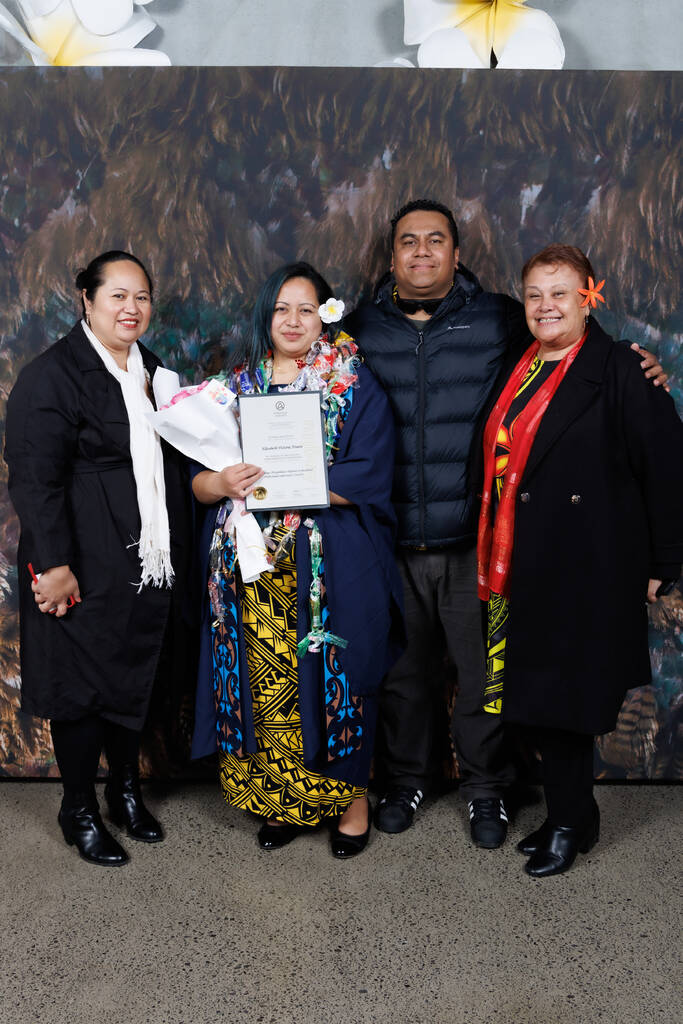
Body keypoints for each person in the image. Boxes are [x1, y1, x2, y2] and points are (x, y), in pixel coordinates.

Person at [344, 199, 669, 847]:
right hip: (389, 539)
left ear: (456, 254)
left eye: (435, 240)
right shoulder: (356, 331)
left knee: (484, 675)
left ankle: (485, 790)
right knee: (403, 676)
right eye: (408, 242)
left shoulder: (498, 319)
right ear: (391, 257)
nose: (421, 252)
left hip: (474, 538)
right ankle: (406, 779)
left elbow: (574, 363)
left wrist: (638, 366)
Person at [476, 244, 683, 876]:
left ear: (588, 298)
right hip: (521, 561)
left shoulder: (621, 369)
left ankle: (569, 822)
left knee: (564, 701)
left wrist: (664, 562)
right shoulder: (521, 366)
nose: (545, 306)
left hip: (587, 563)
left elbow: (667, 467)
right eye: (534, 294)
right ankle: (576, 815)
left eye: (560, 293)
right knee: (537, 697)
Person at [191, 261, 403, 857]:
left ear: (326, 316)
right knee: (269, 690)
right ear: (266, 315)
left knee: (335, 680)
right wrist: (223, 479)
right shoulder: (231, 391)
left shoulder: (353, 385)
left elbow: (369, 473)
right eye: (282, 308)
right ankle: (283, 800)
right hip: (251, 572)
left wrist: (295, 482)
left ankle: (351, 803)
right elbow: (198, 485)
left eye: (307, 309)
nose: (293, 320)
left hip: (329, 567)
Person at [4, 251, 192, 867]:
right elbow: (34, 479)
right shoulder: (50, 376)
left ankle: (125, 791)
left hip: (140, 560)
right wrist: (53, 565)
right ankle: (78, 808)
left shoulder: (152, 370)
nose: (131, 308)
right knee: (81, 688)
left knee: (129, 678)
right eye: (117, 296)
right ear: (86, 299)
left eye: (141, 297)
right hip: (79, 559)